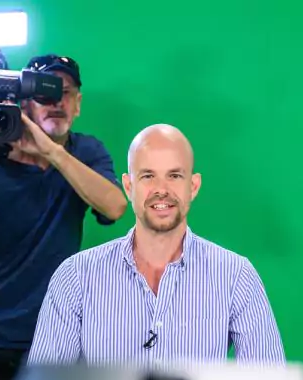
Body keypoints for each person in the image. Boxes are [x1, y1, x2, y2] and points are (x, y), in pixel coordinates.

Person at [26, 123, 285, 366]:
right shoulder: (75, 276)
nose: (161, 190)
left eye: (174, 175)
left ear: (193, 186)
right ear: (128, 186)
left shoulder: (236, 276)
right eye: (148, 176)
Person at [0, 54, 129, 365]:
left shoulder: (86, 152)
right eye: (44, 94)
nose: (56, 103)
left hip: (49, 333)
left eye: (65, 93)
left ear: (78, 104)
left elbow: (115, 207)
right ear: (24, 104)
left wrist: (51, 152)